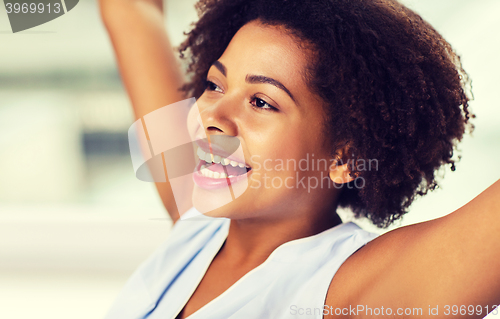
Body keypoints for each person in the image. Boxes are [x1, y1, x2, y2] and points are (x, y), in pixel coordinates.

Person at [99, 0, 500, 318]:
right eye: (215, 85)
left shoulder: (350, 290)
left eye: (261, 102)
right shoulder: (197, 224)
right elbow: (130, 9)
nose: (212, 117)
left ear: (347, 156)